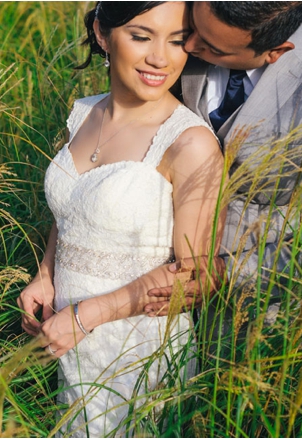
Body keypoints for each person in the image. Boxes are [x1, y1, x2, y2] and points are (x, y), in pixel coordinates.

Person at [17, 2, 226, 437]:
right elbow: (74, 206)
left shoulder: (190, 143)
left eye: (176, 40)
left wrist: (87, 316)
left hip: (136, 344)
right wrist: (44, 273)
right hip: (67, 336)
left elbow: (197, 277)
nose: (160, 58)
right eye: (140, 35)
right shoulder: (84, 113)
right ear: (101, 33)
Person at [144, 1, 302, 351]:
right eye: (193, 28)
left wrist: (228, 274)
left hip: (267, 322)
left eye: (212, 48)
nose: (188, 47)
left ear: (276, 52)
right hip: (145, 283)